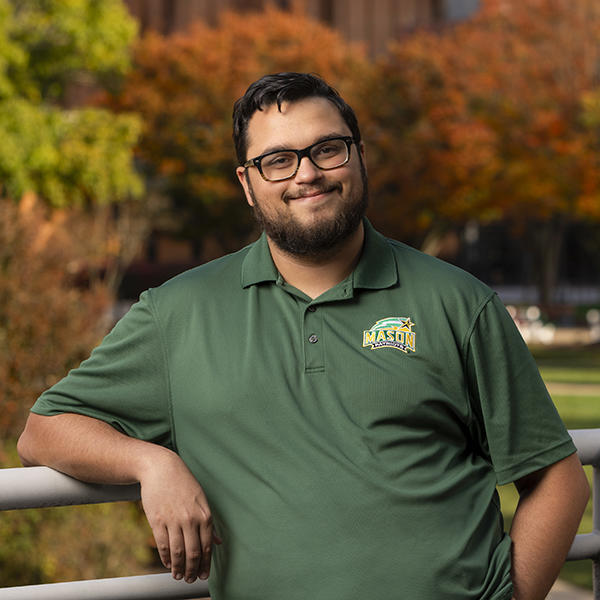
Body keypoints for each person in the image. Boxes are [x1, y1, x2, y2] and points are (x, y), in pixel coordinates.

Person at [18, 72, 589, 600]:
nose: (306, 174)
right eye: (277, 160)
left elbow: (558, 480)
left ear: (359, 156)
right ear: (247, 182)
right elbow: (44, 431)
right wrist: (151, 464)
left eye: (327, 149)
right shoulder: (178, 313)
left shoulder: (457, 302)